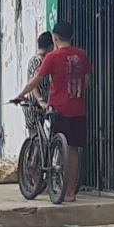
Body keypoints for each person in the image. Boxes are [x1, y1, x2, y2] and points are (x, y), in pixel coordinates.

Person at [20, 21, 91, 201]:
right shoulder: (81, 55)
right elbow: (87, 81)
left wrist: (21, 94)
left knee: (56, 144)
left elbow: (35, 81)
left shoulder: (52, 57)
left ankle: (52, 178)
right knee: (73, 149)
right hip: (78, 109)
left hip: (59, 109)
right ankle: (70, 192)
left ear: (55, 37)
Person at [15, 32, 54, 137]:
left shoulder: (37, 60)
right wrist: (40, 100)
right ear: (50, 47)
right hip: (34, 105)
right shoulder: (38, 61)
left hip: (38, 105)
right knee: (35, 135)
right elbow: (33, 83)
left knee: (39, 135)